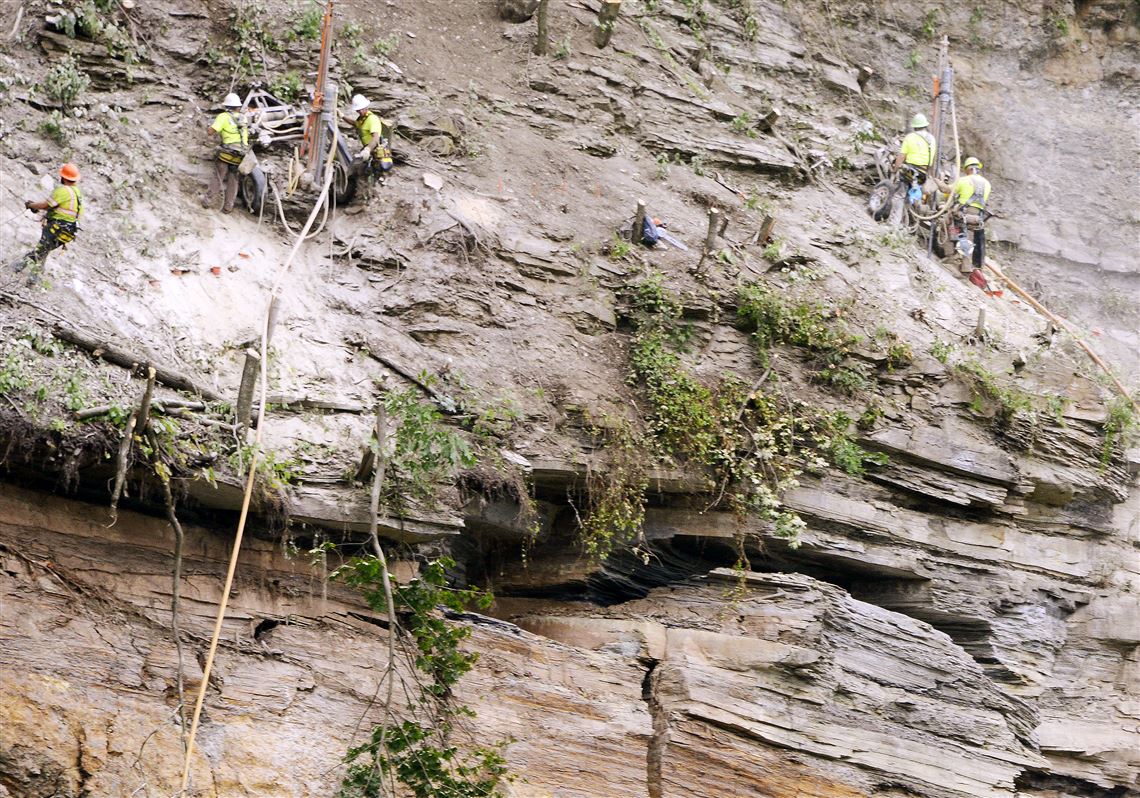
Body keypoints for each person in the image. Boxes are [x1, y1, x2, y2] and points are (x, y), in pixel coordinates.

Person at [12, 162, 83, 276]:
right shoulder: (77, 193)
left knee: (40, 250)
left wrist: (31, 205)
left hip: (57, 227)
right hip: (68, 231)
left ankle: (17, 268)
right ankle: (34, 279)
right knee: (44, 251)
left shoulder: (63, 190)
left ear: (63, 177)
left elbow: (46, 205)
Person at [939, 156, 991, 274]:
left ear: (968, 169)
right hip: (977, 218)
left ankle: (950, 256)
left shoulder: (964, 180)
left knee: (945, 223)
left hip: (961, 215)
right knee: (969, 238)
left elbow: (947, 191)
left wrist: (940, 182)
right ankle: (966, 267)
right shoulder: (987, 184)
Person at [201, 93, 248, 214]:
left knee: (219, 176)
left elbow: (211, 132)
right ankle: (228, 206)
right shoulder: (244, 118)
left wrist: (208, 127)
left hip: (227, 152)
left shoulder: (223, 116)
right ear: (238, 106)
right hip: (241, 154)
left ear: (227, 106)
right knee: (234, 179)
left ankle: (207, 201)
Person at [344, 94, 393, 184]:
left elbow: (375, 138)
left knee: (372, 170)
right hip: (368, 149)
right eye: (358, 110)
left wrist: (368, 149)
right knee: (361, 169)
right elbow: (355, 124)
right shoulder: (362, 119)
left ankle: (374, 184)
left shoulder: (372, 119)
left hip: (374, 149)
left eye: (361, 109)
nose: (359, 112)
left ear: (366, 107)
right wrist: (342, 116)